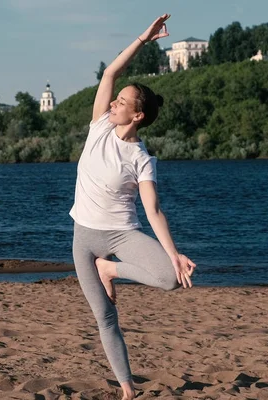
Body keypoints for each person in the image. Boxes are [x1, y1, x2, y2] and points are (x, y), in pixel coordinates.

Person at [69, 14, 196, 400]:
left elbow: (153, 210)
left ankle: (111, 269)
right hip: (83, 238)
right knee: (105, 318)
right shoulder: (99, 126)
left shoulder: (141, 157)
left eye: (122, 102)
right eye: (116, 98)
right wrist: (144, 38)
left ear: (137, 115)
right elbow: (110, 72)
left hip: (121, 236)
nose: (113, 102)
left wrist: (174, 254)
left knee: (171, 279)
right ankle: (128, 391)